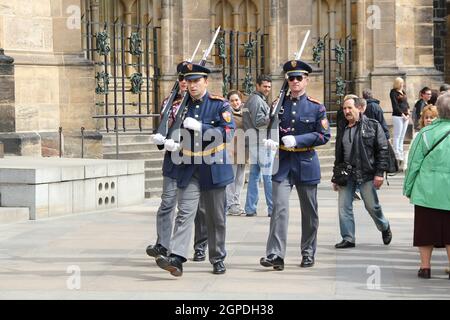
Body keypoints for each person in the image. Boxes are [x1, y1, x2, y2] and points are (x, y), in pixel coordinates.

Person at [155, 63, 235, 277]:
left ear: (206, 82)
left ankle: (217, 257)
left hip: (214, 167)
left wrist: (202, 127)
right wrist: (170, 142)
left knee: (216, 218)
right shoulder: (180, 106)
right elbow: (173, 129)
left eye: (196, 81)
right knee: (185, 213)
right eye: (189, 81)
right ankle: (177, 257)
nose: (192, 85)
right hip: (188, 166)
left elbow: (227, 133)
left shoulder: (220, 105)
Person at [259, 59, 331, 270]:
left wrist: (299, 140)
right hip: (283, 162)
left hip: (306, 161)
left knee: (309, 212)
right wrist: (271, 138)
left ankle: (308, 252)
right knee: (279, 209)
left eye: (299, 78)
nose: (295, 81)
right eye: (291, 78)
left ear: (306, 80)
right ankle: (275, 254)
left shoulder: (316, 107)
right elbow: (270, 126)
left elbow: (323, 135)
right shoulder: (278, 104)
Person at [146, 61, 208, 262]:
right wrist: (160, 140)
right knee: (167, 203)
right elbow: (164, 127)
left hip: (192, 159)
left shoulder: (199, 103)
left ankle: (200, 246)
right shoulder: (170, 102)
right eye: (182, 78)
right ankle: (163, 245)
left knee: (196, 208)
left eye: (190, 79)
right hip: (173, 160)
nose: (185, 82)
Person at [332, 96, 392, 249]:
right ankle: (348, 238)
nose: (346, 111)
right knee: (344, 207)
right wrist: (335, 176)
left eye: (349, 108)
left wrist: (380, 173)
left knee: (372, 207)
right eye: (344, 109)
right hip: (346, 174)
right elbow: (339, 153)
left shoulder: (373, 125)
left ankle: (384, 226)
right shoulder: (342, 126)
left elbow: (383, 150)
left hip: (366, 173)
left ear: (359, 108)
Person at [403, 92, 450, 280]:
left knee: (425, 230)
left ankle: (425, 267)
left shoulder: (425, 133)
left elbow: (414, 163)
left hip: (426, 190)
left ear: (438, 109)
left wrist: (408, 188)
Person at [242, 74, 274, 217]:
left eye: (269, 86)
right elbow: (259, 122)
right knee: (268, 176)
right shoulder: (256, 100)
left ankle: (250, 208)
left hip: (255, 143)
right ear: (258, 85)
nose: (267, 89)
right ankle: (272, 209)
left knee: (255, 176)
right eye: (265, 86)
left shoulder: (256, 99)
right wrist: (273, 116)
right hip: (260, 144)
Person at [225, 90, 246, 215]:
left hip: (243, 149)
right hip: (232, 149)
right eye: (232, 100)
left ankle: (236, 202)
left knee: (240, 179)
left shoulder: (245, 112)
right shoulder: (227, 114)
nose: (235, 102)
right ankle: (230, 204)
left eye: (237, 100)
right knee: (231, 178)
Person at [390, 77, 410, 169]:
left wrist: (408, 111)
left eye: (403, 82)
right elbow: (395, 105)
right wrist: (403, 114)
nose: (402, 84)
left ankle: (401, 152)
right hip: (398, 116)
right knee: (397, 135)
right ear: (397, 83)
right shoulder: (393, 92)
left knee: (402, 136)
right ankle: (396, 153)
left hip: (406, 116)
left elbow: (406, 103)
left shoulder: (403, 91)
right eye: (400, 83)